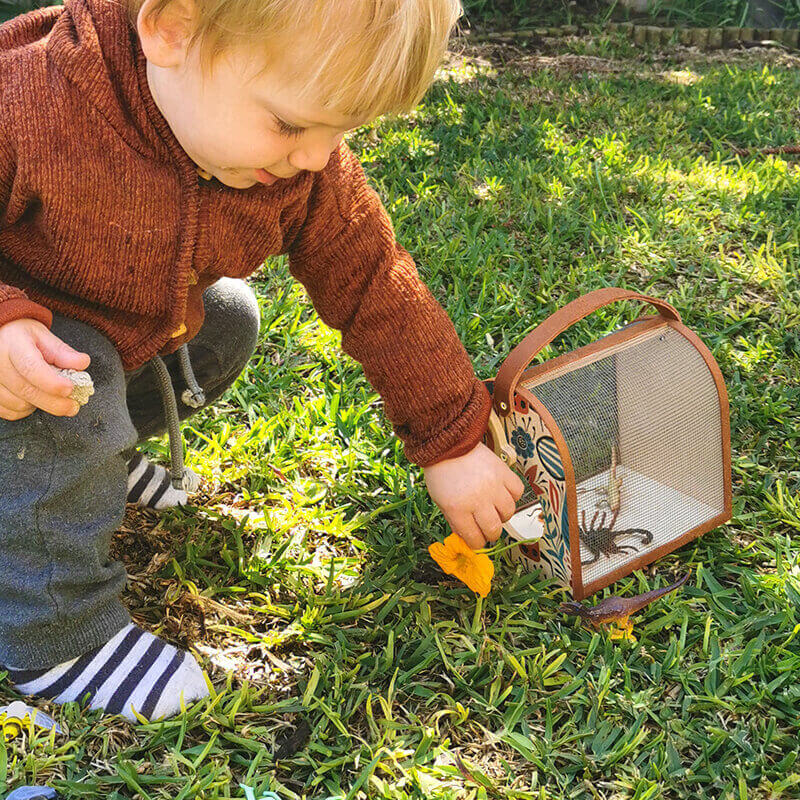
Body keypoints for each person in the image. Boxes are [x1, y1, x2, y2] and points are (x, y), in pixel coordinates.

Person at [0, 0, 525, 722]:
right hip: (22, 362)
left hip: (91, 364)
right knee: (71, 359)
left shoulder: (302, 167)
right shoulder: (31, 96)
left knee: (226, 321)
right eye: (290, 124)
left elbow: (372, 277)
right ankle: (55, 640)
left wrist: (451, 438)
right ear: (172, 32)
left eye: (340, 130)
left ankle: (92, 464)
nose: (314, 155)